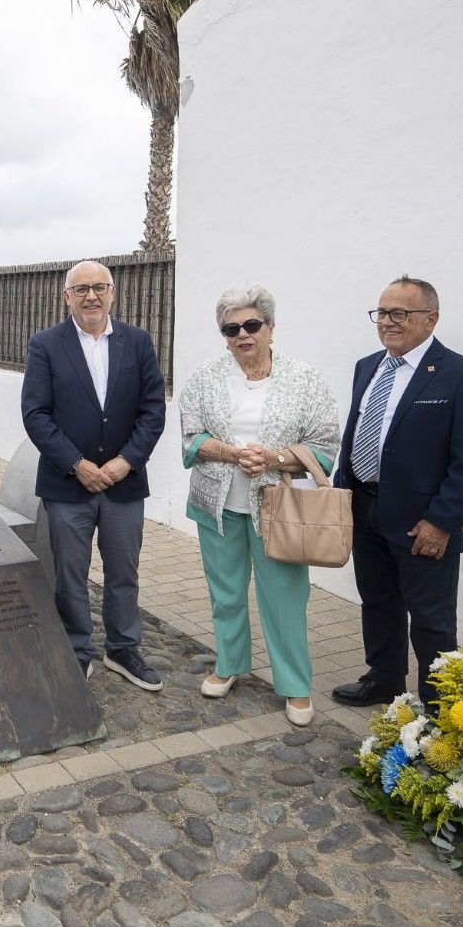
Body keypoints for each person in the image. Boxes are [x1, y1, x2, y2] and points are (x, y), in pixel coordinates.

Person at [330, 277, 463, 709]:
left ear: (430, 319)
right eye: (382, 313)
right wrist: (342, 497)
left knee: (431, 618)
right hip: (365, 508)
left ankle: (439, 703)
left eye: (399, 314)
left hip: (423, 520)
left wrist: (443, 521)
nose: (388, 322)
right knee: (378, 601)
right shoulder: (367, 367)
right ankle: (384, 678)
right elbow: (356, 436)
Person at [177, 286, 340, 726]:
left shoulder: (304, 378)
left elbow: (325, 443)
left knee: (285, 598)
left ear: (270, 327)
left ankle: (295, 685)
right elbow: (190, 436)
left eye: (252, 325)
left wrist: (274, 458)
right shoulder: (205, 376)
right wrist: (233, 453)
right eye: (231, 329)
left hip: (279, 508)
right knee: (225, 593)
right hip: (217, 504)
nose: (242, 335)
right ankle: (229, 664)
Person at [20, 260, 167, 690]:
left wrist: (125, 462)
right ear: (67, 296)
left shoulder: (137, 342)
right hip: (68, 485)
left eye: (99, 287)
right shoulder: (45, 344)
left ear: (112, 293)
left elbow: (152, 410)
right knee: (71, 574)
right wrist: (77, 464)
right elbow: (36, 414)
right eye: (81, 288)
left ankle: (123, 650)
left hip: (124, 484)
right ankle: (77, 648)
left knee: (123, 572)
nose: (91, 296)